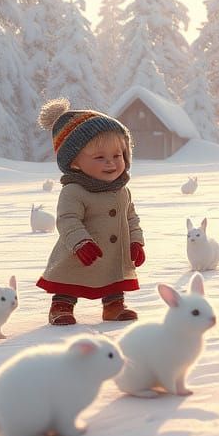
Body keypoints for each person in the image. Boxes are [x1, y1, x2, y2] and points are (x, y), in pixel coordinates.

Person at [35, 98, 146, 325]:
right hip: (80, 252)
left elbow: (131, 218)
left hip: (113, 253)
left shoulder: (121, 190)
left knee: (113, 278)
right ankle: (61, 306)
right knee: (70, 278)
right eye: (99, 158)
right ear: (74, 162)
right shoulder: (74, 190)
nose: (111, 163)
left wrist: (136, 241)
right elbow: (67, 219)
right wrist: (80, 243)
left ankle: (114, 306)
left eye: (117, 156)